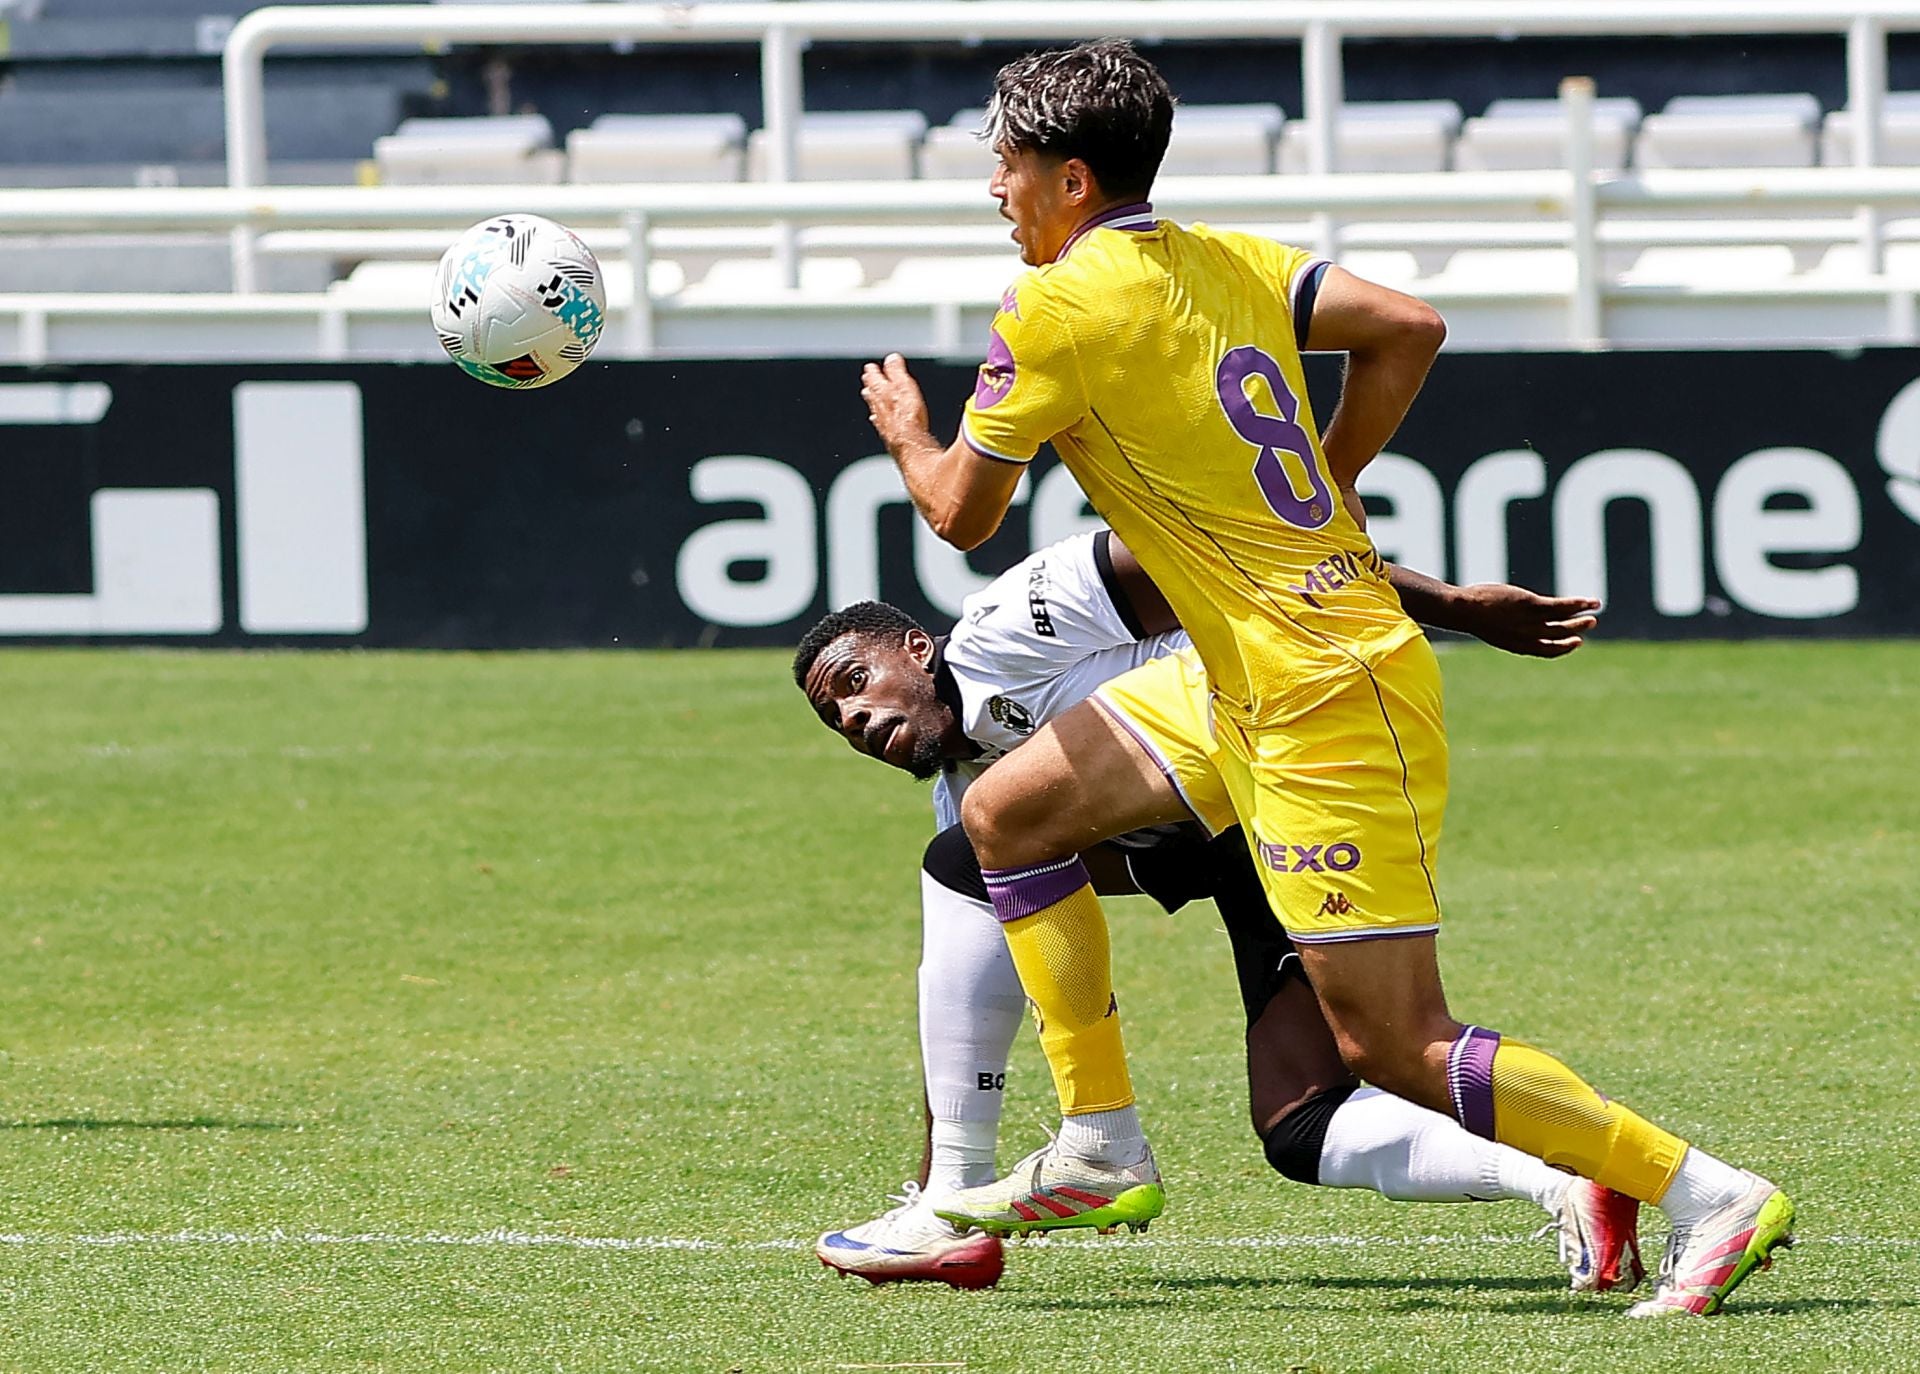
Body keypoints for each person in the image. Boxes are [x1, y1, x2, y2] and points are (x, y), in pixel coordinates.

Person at [856, 39, 1792, 1318]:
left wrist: (911, 434)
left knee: (1391, 1045)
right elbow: (1408, 328)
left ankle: (1706, 1191)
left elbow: (962, 516)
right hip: (1239, 676)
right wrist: (1334, 478)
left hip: (1322, 695)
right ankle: (1099, 1146)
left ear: (1070, 178)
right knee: (1002, 816)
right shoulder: (1228, 260)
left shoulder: (1054, 307)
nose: (996, 192)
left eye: (1007, 167)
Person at [798, 529, 1639, 1292]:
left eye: (853, 682)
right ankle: (1568, 1178)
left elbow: (1241, 556)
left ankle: (997, 1179)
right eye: (834, 718)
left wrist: (1451, 605)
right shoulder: (975, 797)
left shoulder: (1006, 623)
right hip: (1234, 835)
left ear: (918, 646)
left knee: (965, 865)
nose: (854, 716)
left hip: (1292, 769)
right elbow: (985, 993)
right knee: (1301, 1123)